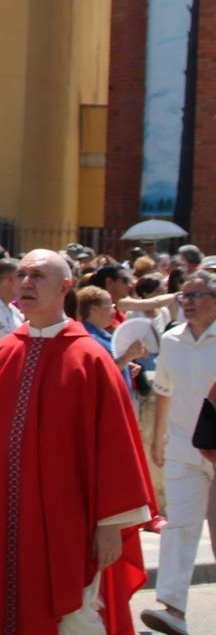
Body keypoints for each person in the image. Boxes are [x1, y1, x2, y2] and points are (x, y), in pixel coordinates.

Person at [0, 249, 156, 635]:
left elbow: (115, 448)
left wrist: (111, 524)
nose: (26, 282)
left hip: (68, 524)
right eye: (23, 276)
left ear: (65, 287)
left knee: (73, 619)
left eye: (38, 276)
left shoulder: (91, 360)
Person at [141, 272, 216, 635]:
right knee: (179, 527)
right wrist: (158, 438)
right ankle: (172, 608)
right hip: (183, 448)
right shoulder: (171, 340)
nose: (186, 301)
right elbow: (165, 390)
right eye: (183, 295)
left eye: (196, 295)